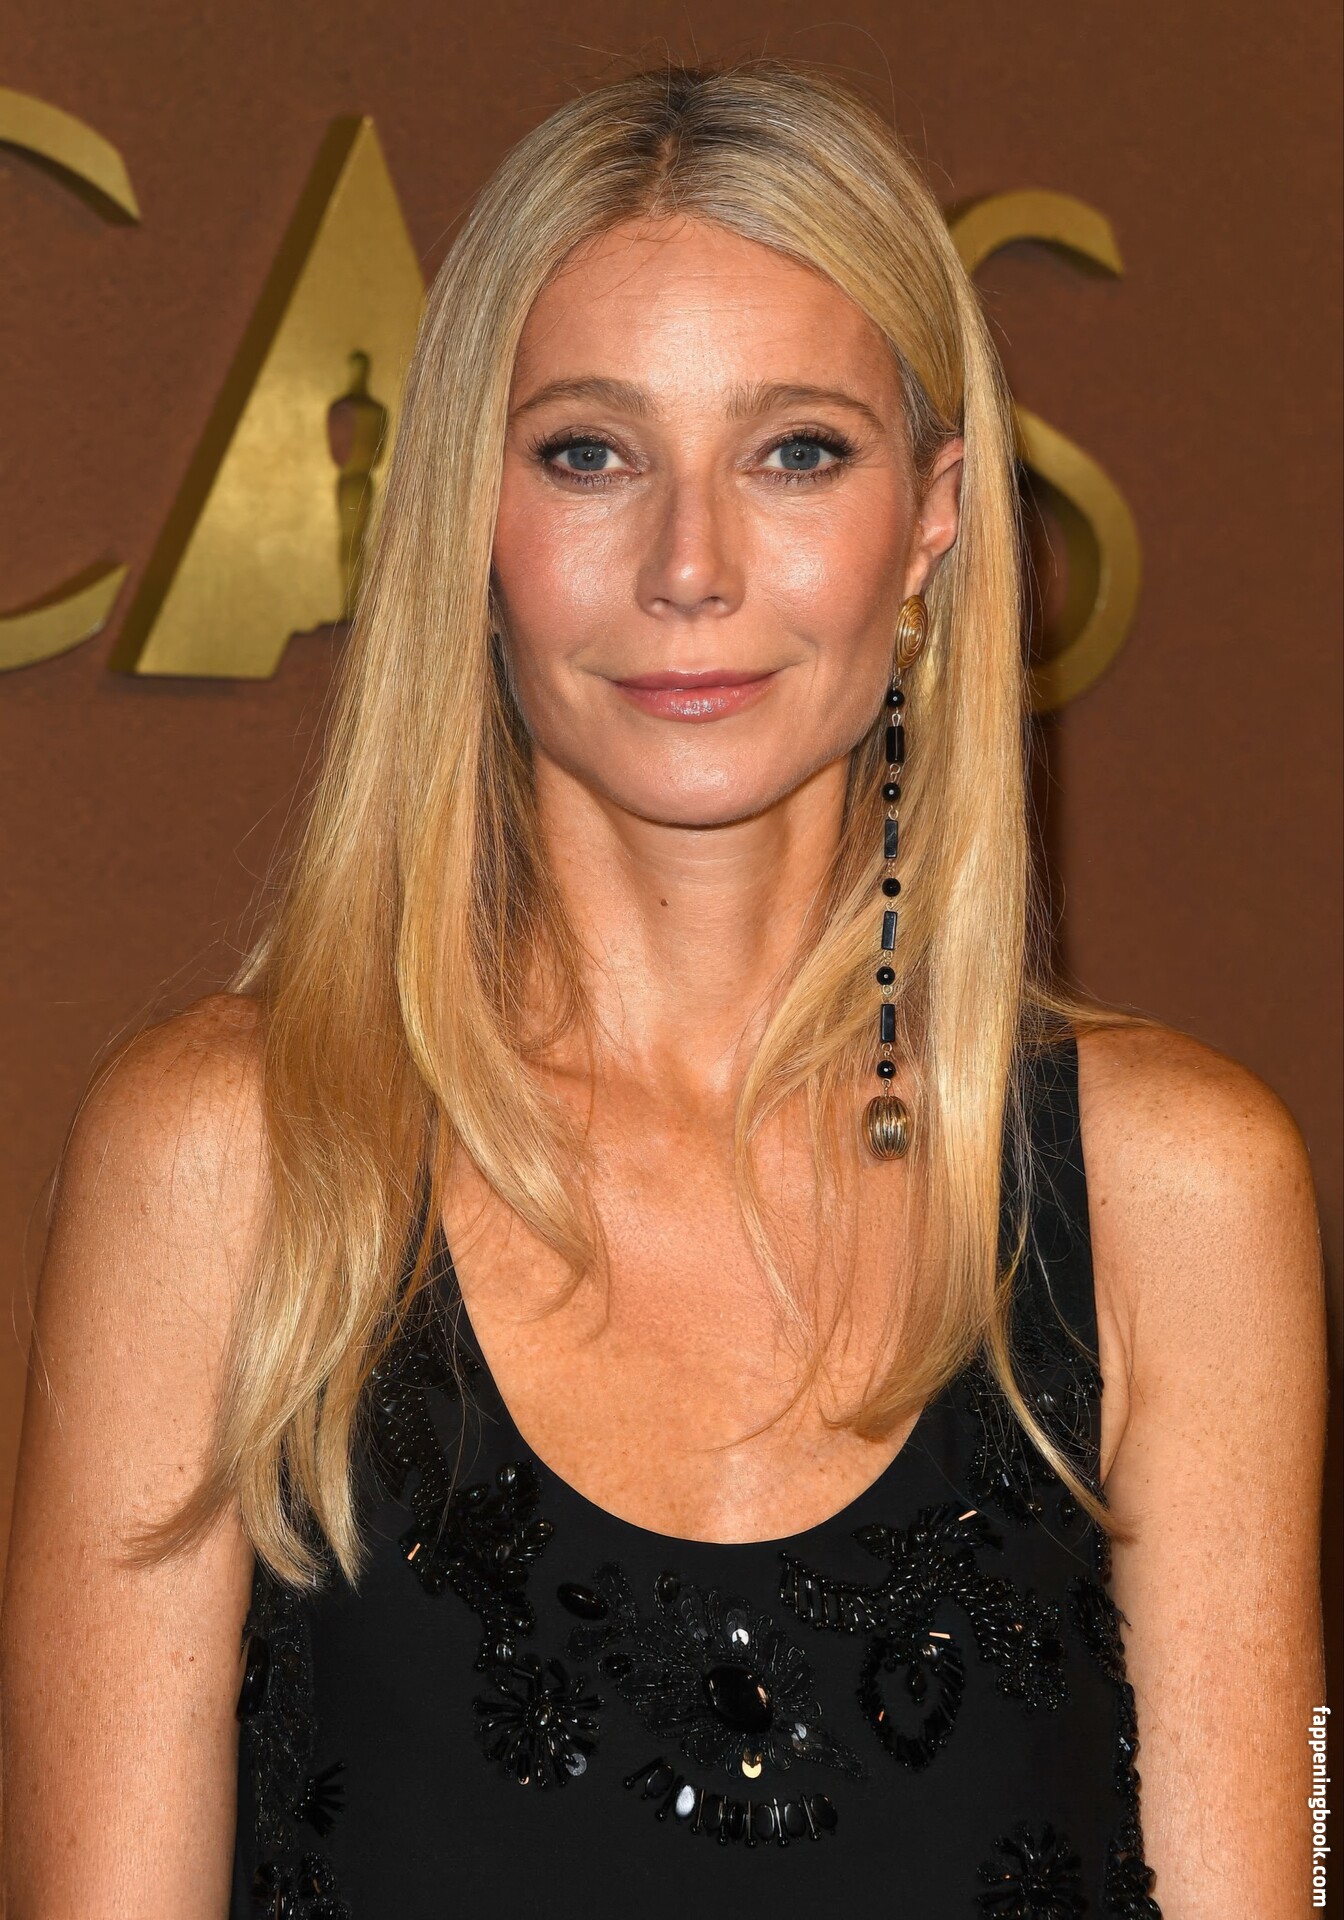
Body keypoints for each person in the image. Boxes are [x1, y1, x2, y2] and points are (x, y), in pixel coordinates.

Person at [0, 60, 1325, 1920]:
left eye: (798, 452)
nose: (690, 566)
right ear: (468, 515)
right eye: (588, 454)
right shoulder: (231, 1160)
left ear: (933, 517)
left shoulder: (1178, 1193)